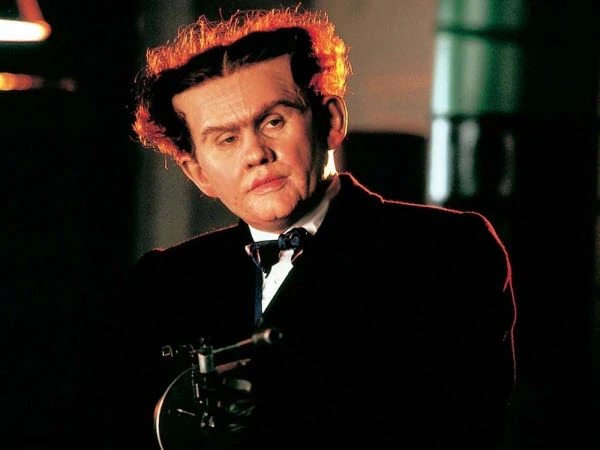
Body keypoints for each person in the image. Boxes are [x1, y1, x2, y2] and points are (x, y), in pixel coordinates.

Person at [105, 6, 517, 450]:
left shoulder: (446, 250)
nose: (255, 154)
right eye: (226, 139)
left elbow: (455, 426)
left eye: (273, 122)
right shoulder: (162, 282)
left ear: (331, 121)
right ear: (198, 173)